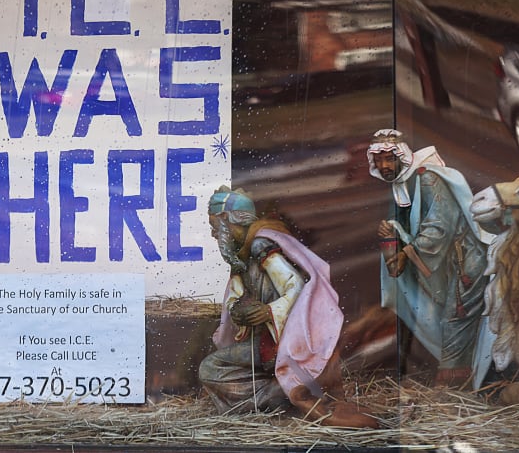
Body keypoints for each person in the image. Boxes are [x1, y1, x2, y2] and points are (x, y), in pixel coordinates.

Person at [198, 186, 375, 427]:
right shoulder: (241, 255)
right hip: (263, 337)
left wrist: (268, 311)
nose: (213, 234)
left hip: (280, 339)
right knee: (218, 368)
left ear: (227, 219)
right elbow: (236, 294)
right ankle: (276, 398)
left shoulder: (260, 246)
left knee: (211, 368)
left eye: (214, 226)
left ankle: (278, 399)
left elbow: (295, 286)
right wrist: (238, 310)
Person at [367, 129, 492, 387]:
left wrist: (405, 253)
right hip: (448, 265)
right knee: (451, 323)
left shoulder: (428, 178)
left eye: (389, 159)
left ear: (402, 156)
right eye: (378, 161)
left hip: (466, 261)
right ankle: (469, 381)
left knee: (455, 322)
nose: (384, 166)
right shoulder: (401, 186)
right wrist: (392, 231)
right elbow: (409, 225)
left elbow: (438, 228)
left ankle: (453, 387)